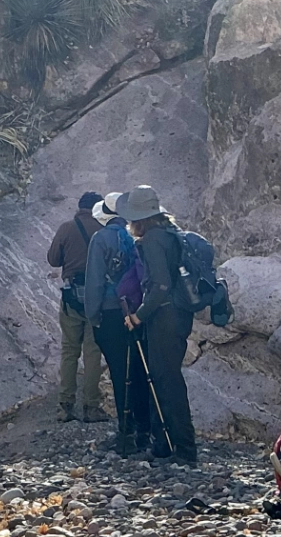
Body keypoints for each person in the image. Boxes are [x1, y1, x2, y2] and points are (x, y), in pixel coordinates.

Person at [119, 186, 199, 465]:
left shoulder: (152, 240)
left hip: (163, 317)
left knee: (166, 381)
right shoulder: (170, 234)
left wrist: (139, 315)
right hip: (178, 315)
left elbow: (161, 285)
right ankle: (166, 444)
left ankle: (183, 449)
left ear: (139, 218)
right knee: (165, 378)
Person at [82, 193, 139, 453]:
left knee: (119, 372)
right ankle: (143, 428)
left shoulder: (101, 239)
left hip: (110, 313)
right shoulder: (134, 235)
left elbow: (94, 282)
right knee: (137, 369)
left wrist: (92, 316)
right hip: (137, 312)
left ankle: (126, 432)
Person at [46, 191, 106, 421]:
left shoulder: (66, 228)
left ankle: (65, 406)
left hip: (72, 298)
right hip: (97, 298)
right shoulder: (103, 230)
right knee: (92, 351)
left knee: (70, 350)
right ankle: (91, 406)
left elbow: (53, 260)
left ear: (79, 207)